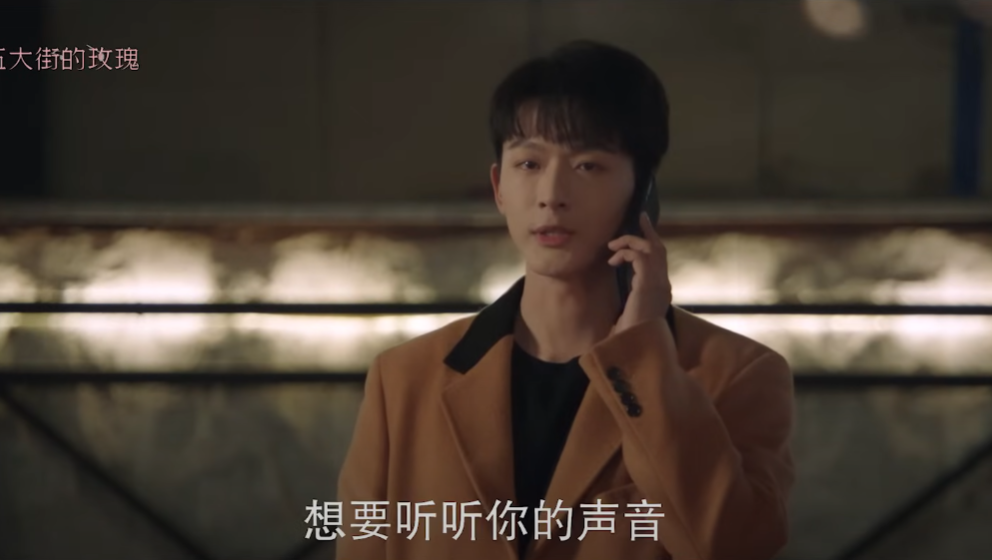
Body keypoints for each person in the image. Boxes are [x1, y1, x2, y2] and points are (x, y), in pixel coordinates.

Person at [334, 39, 795, 560]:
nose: (551, 194)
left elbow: (728, 546)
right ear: (499, 187)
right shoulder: (404, 380)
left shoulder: (736, 374)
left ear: (643, 193)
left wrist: (644, 355)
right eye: (529, 163)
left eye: (588, 166)